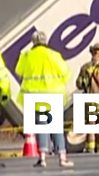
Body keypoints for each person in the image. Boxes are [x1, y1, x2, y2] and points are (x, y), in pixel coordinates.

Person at [15, 31, 73, 168]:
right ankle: (62, 158)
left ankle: (42, 158)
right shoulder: (54, 55)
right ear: (45, 41)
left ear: (33, 42)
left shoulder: (27, 56)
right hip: (53, 95)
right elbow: (66, 73)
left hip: (35, 95)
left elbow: (19, 71)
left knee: (42, 126)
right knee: (56, 126)